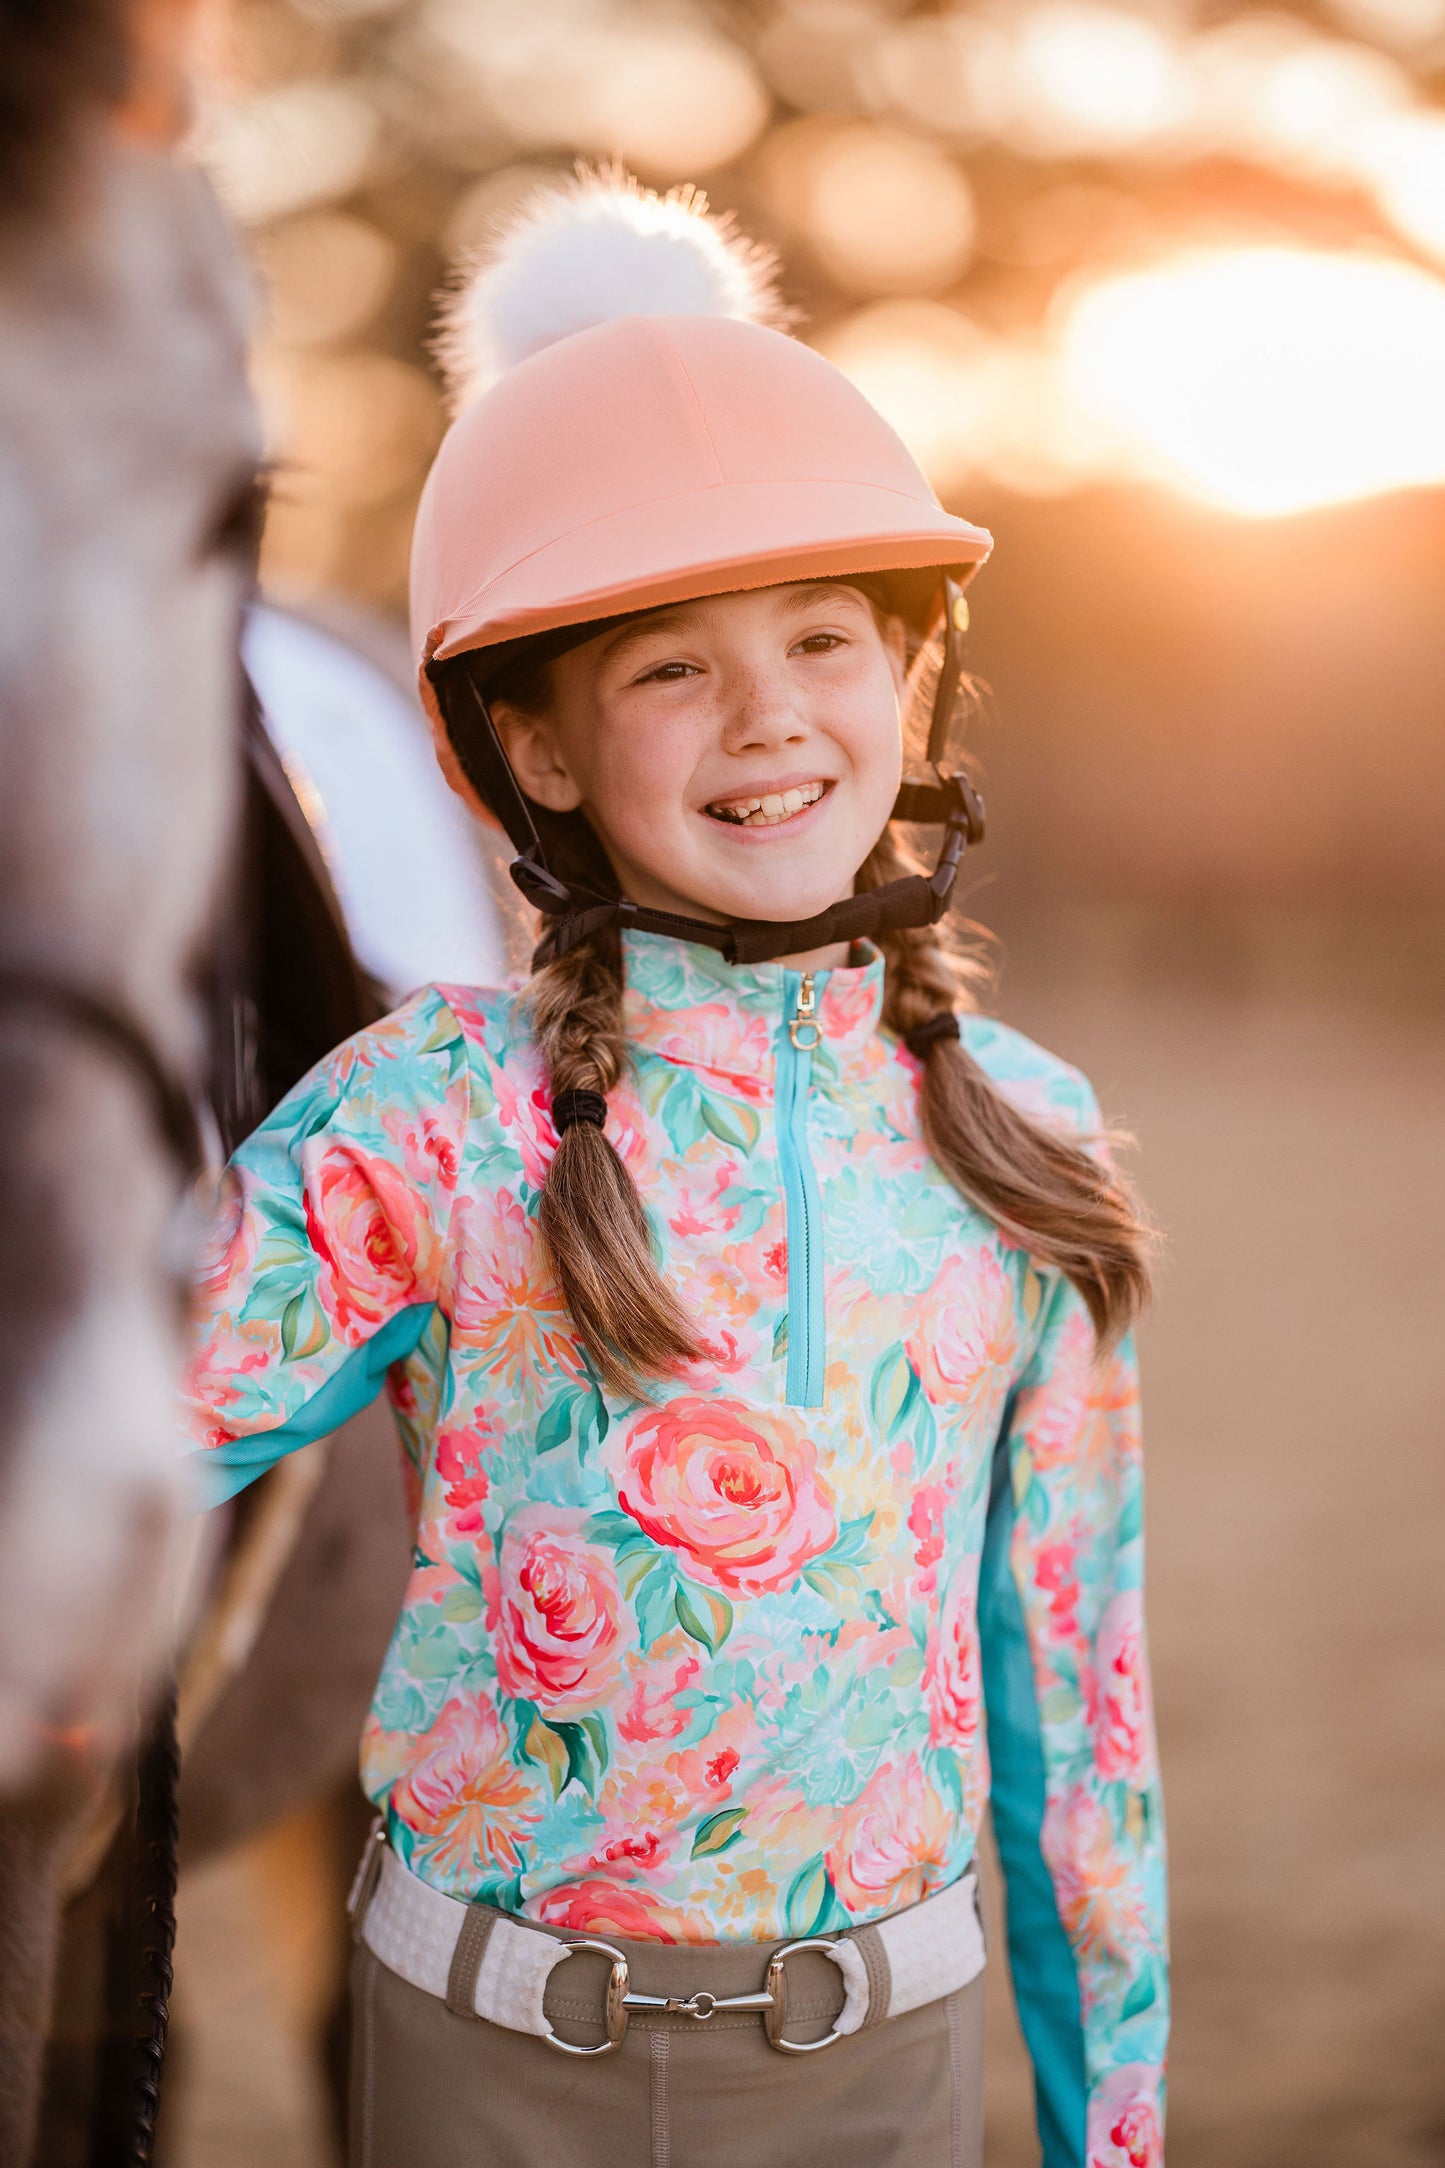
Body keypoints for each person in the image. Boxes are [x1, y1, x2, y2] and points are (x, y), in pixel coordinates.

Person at [185, 172, 1168, 2168]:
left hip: (884, 2072)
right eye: (669, 668)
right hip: (481, 2067)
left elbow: (1078, 1727)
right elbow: (106, 1438)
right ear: (535, 749)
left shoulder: (1025, 1141)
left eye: (821, 640)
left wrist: (1114, 2136)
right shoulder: (429, 1115)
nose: (769, 718)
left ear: (905, 681)